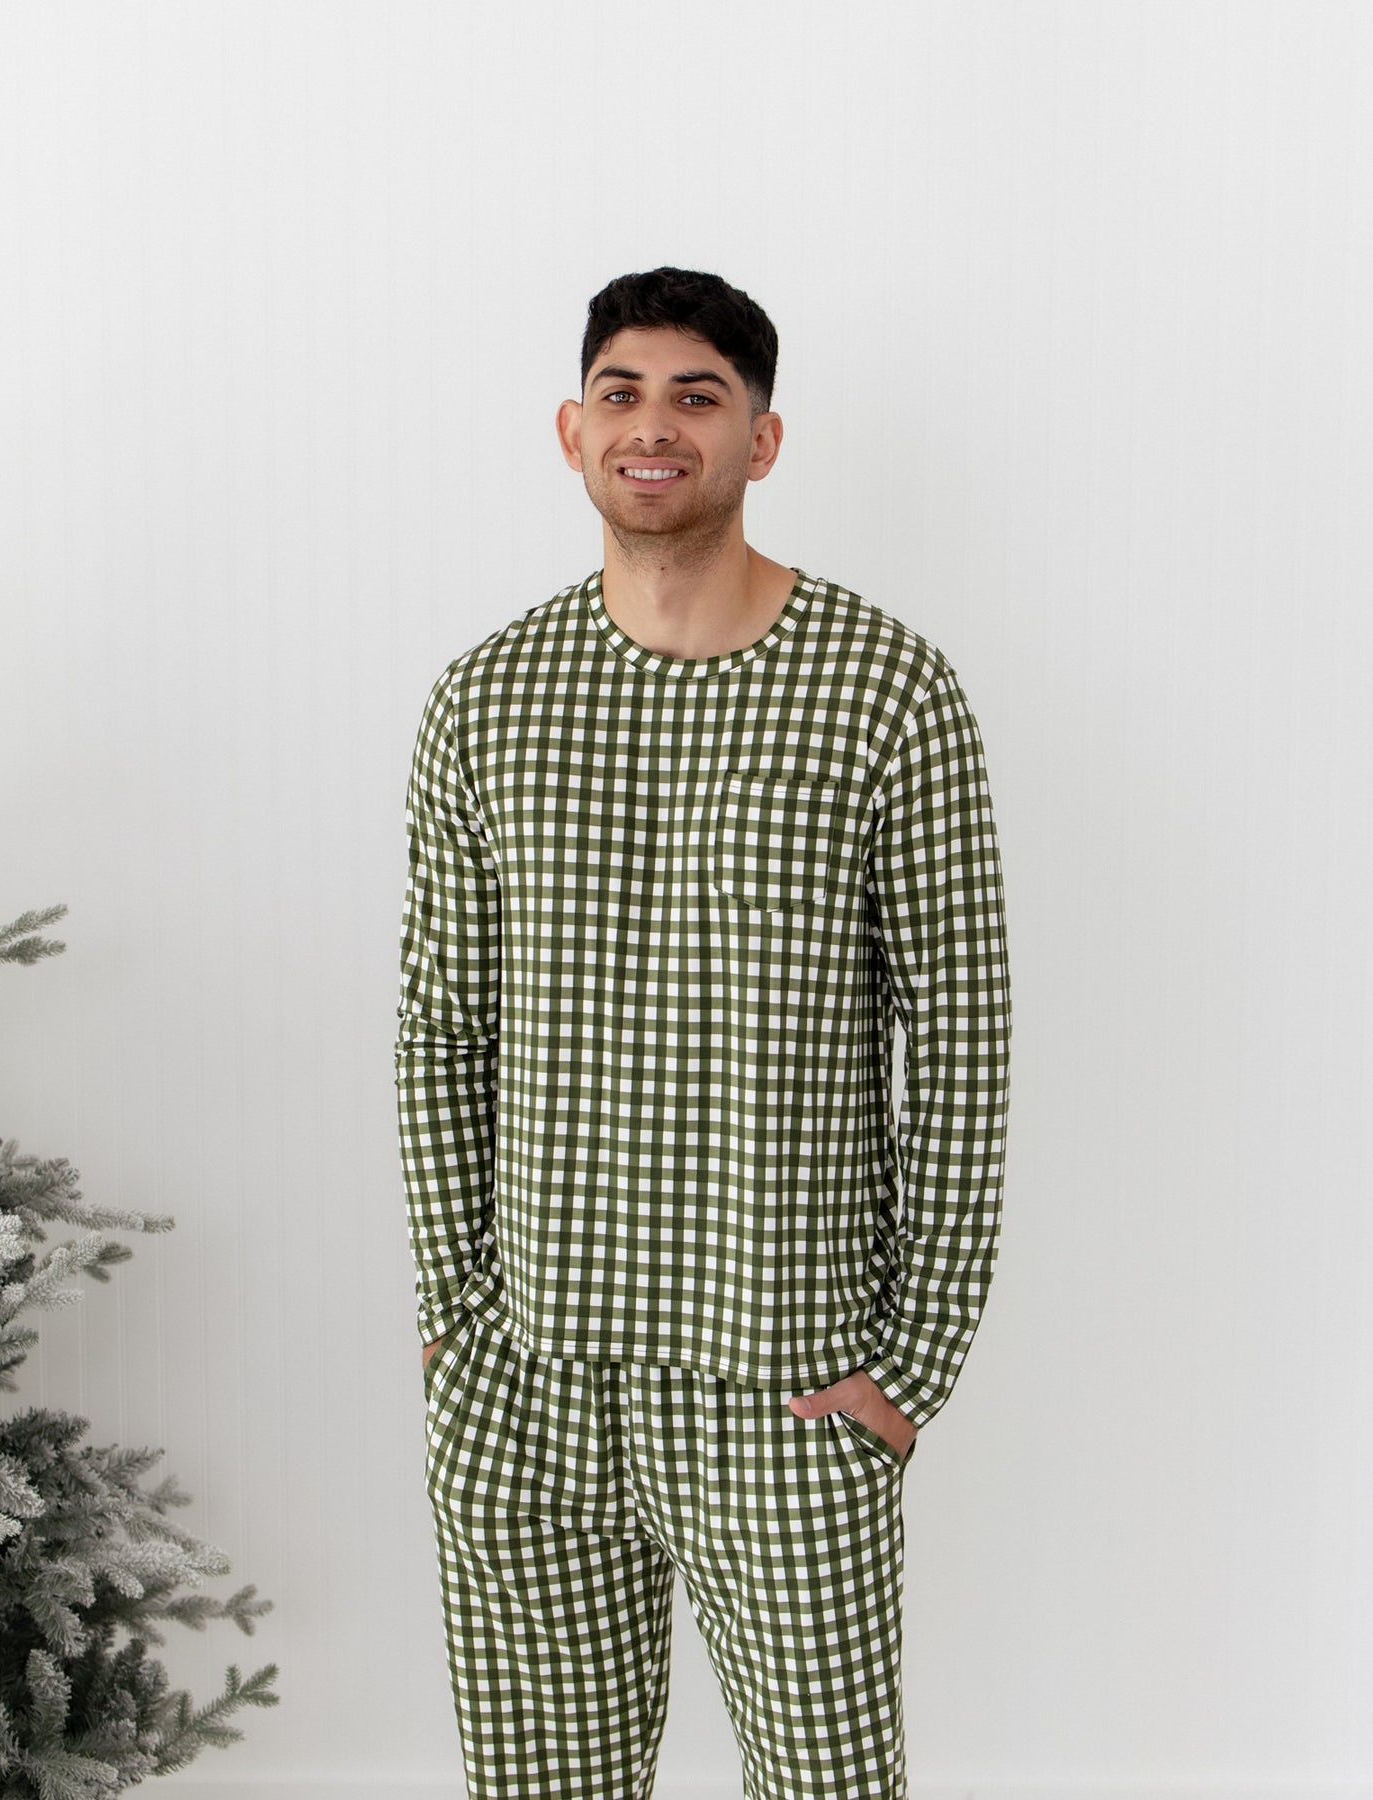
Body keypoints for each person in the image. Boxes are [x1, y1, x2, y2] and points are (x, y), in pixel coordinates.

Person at [394, 266, 1011, 1800]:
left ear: (764, 438)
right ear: (570, 428)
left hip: (787, 1382)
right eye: (622, 394)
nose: (653, 427)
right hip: (531, 1375)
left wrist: (910, 1361)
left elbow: (962, 1040)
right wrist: (458, 1312)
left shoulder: (887, 690)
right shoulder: (488, 698)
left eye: (697, 396)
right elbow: (438, 1023)